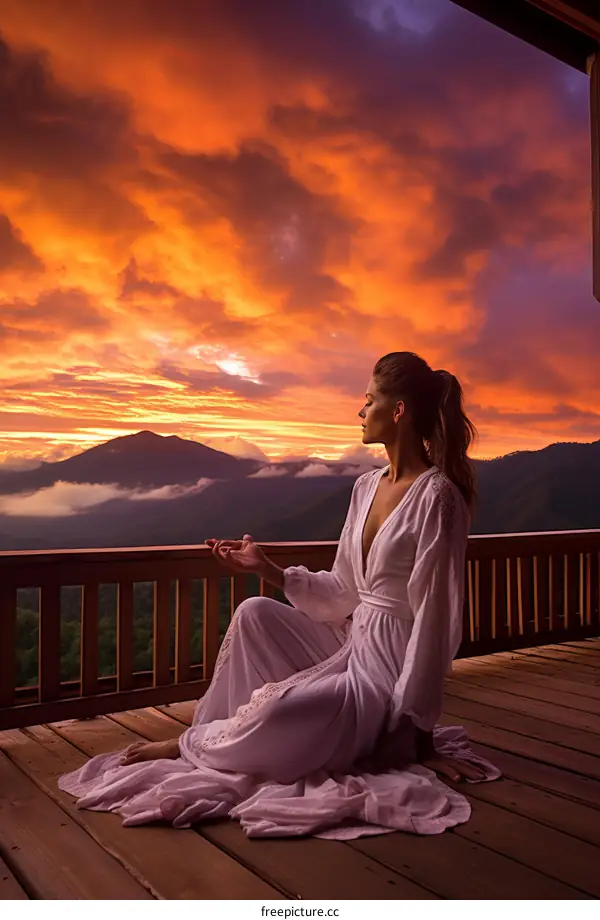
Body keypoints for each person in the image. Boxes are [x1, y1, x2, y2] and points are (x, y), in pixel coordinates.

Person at [59, 351, 500, 839]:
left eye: (369, 399)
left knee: (279, 710)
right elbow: (342, 591)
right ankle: (220, 732)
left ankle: (195, 743)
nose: (360, 410)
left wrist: (417, 732)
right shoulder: (365, 487)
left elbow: (435, 619)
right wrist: (267, 570)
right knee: (253, 613)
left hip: (387, 665)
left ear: (398, 411)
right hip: (351, 639)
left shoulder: (438, 497)